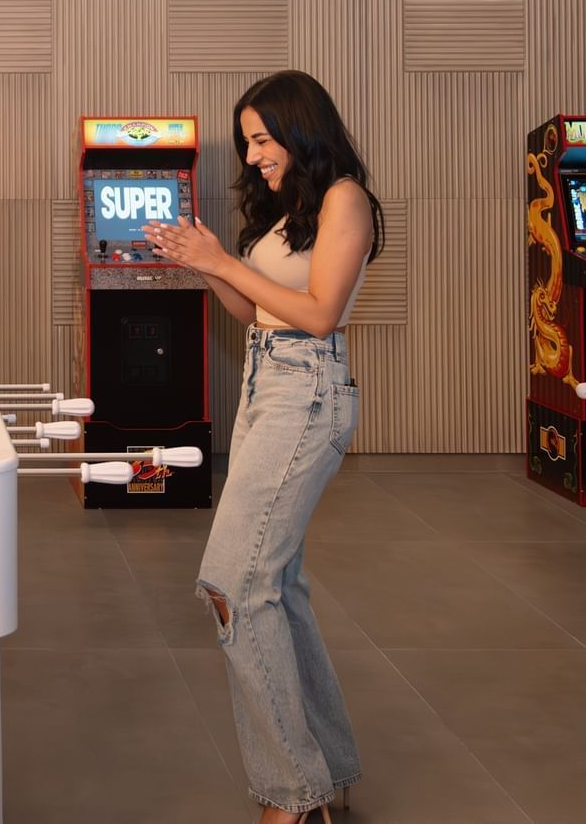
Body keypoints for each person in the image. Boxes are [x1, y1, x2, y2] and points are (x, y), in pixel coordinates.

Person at [143, 70, 384, 824]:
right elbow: (256, 313)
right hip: (266, 385)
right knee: (277, 584)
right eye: (247, 143)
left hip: (306, 392)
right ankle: (327, 769)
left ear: (298, 127)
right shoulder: (294, 211)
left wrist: (224, 263)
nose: (252, 157)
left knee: (234, 585)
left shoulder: (345, 198)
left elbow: (319, 314)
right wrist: (209, 263)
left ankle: (292, 793)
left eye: (260, 140)